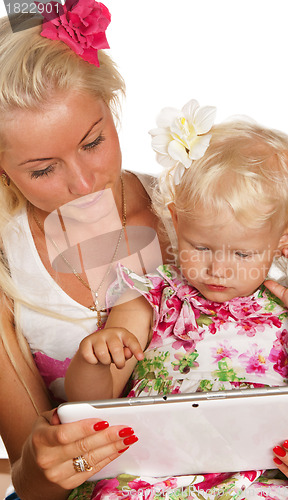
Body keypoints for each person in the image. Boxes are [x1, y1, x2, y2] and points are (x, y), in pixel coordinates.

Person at [65, 105, 288, 499]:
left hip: (255, 470)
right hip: (155, 470)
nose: (218, 270)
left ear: (283, 241)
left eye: (242, 255)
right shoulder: (152, 296)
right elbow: (89, 399)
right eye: (201, 246)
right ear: (176, 221)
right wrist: (95, 357)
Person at [0, 3, 169, 500]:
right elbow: (34, 484)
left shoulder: (188, 209)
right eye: (42, 170)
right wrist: (45, 465)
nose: (82, 183)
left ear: (112, 110)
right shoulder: (7, 263)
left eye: (93, 142)